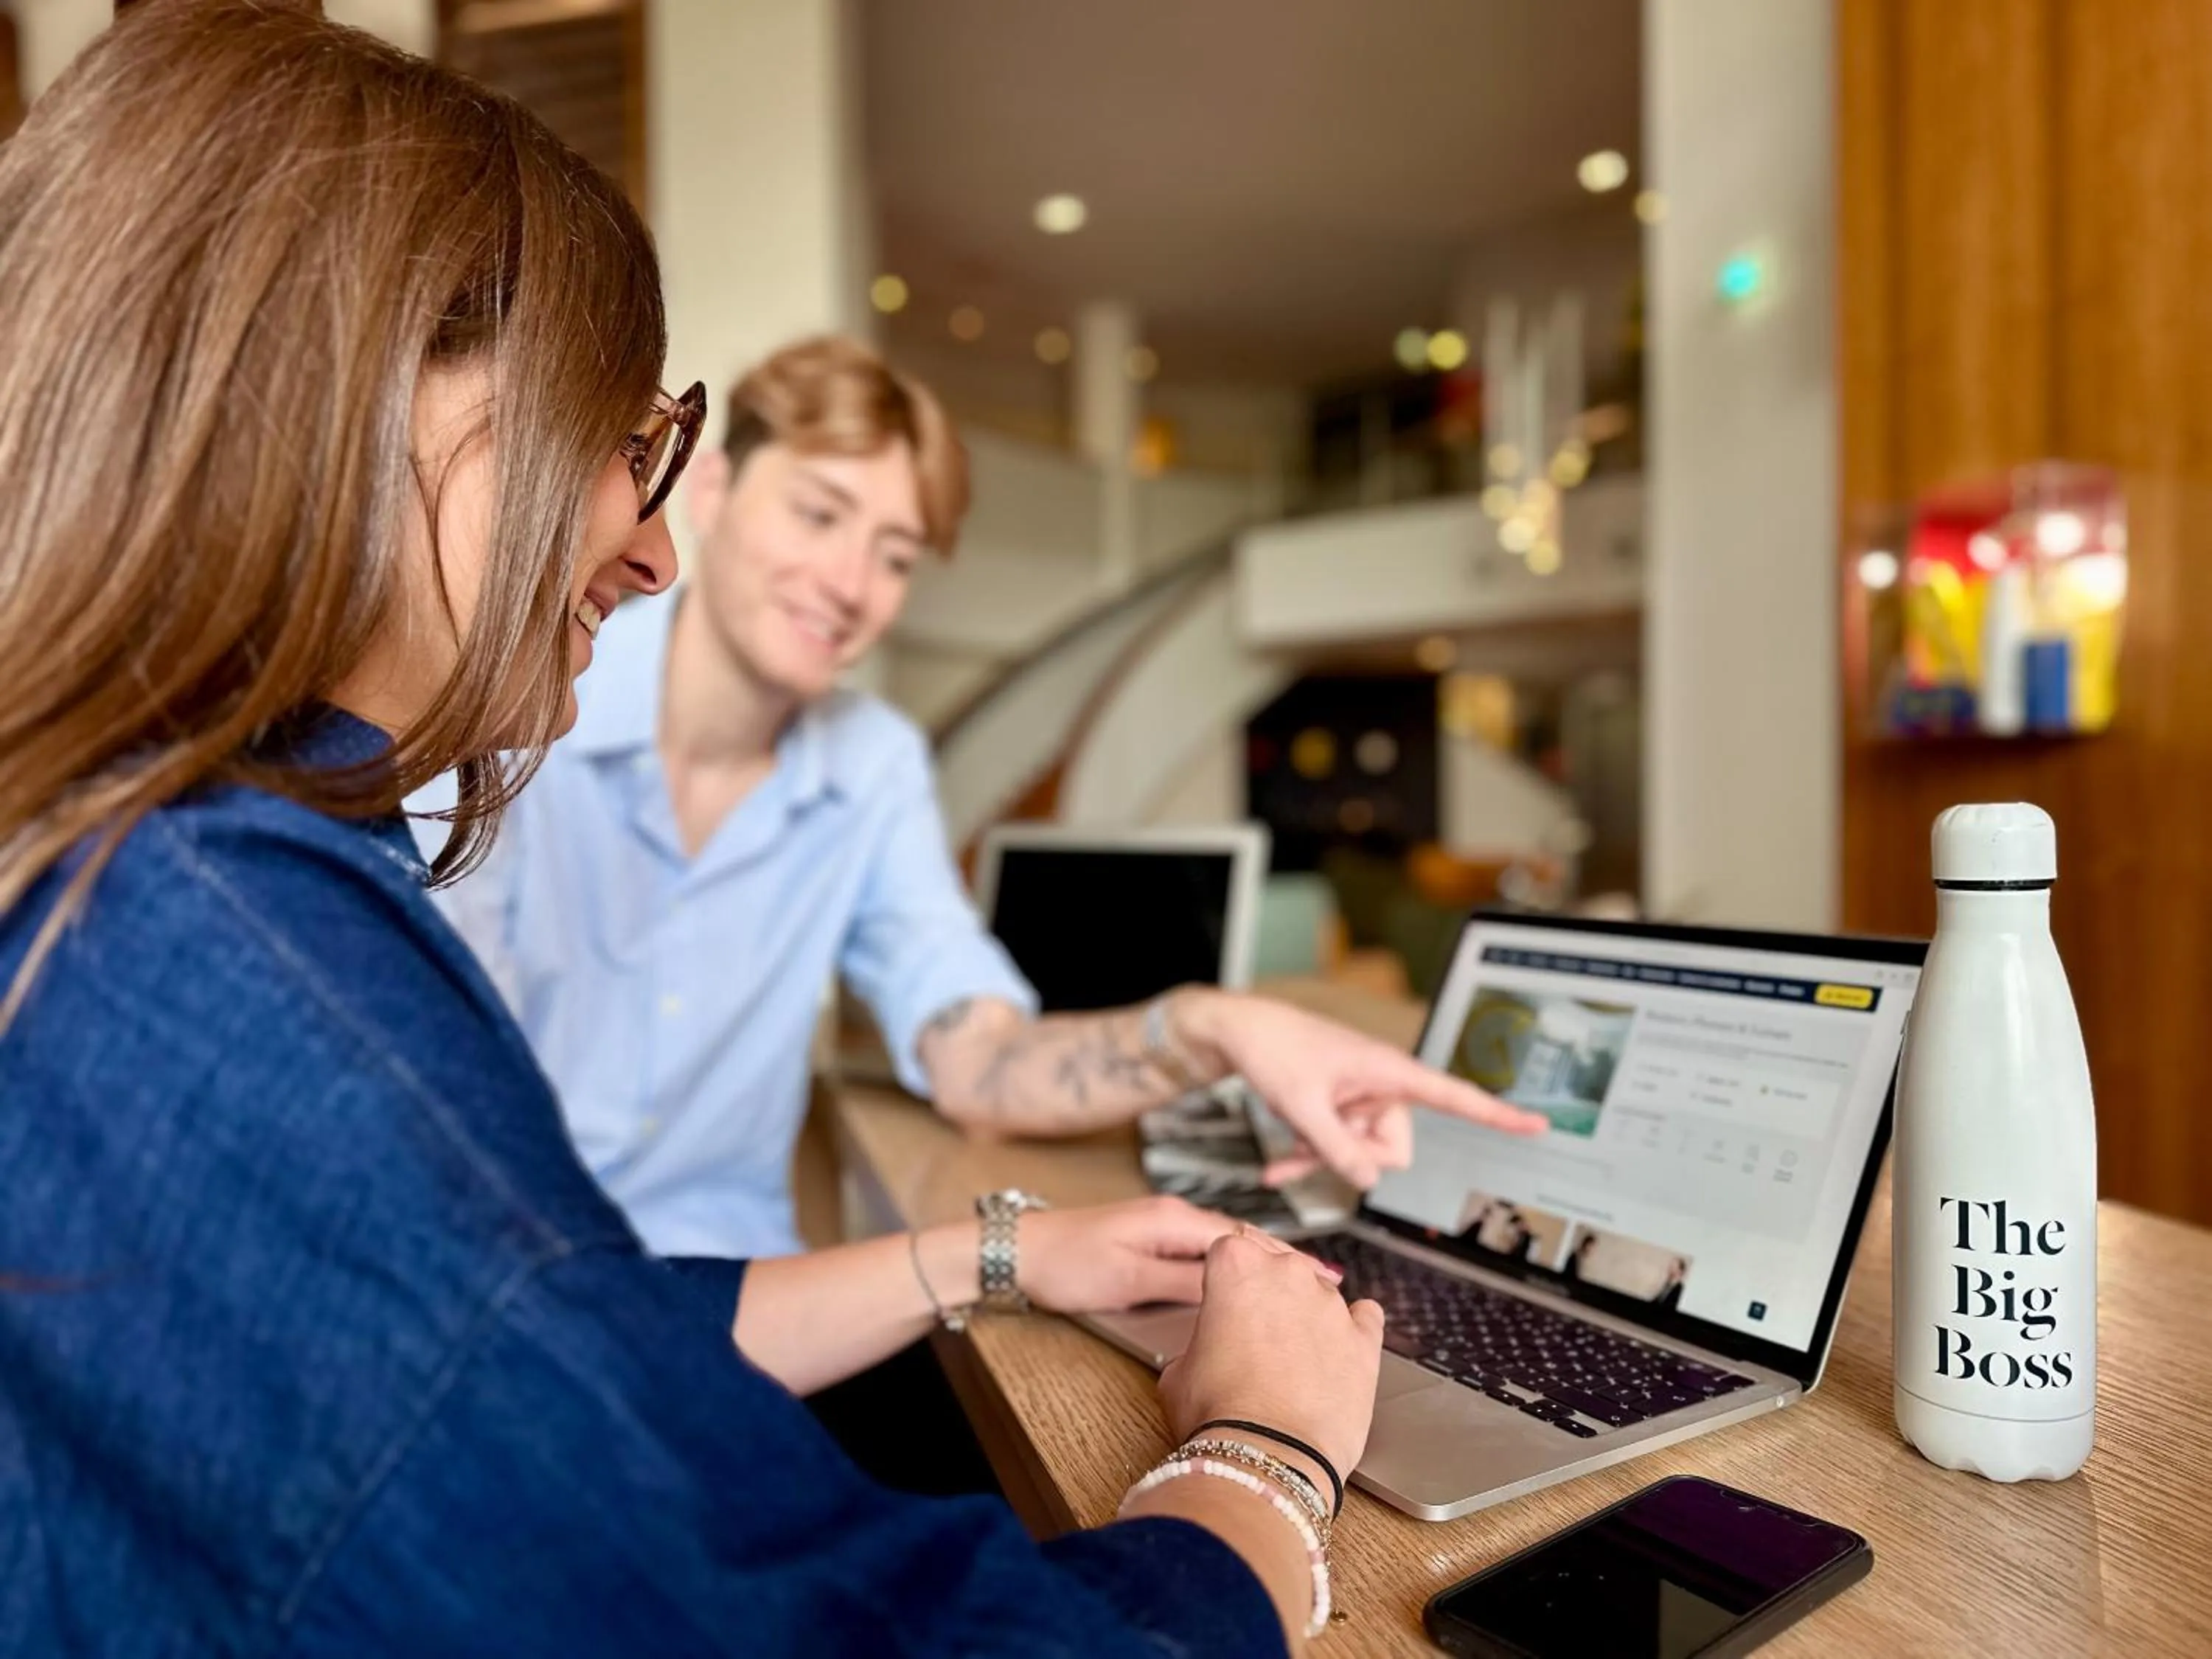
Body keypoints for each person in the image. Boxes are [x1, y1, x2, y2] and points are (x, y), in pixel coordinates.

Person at [0, 7, 1379, 1651]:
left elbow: (548, 1306)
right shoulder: (274, 900)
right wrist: (1269, 1457)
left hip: (636, 1342)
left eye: (898, 555)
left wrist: (1136, 1105)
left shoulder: (205, 842)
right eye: (632, 445)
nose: (647, 546)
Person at [424, 333, 1545, 1265]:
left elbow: (979, 1057)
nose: (851, 585)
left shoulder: (870, 766)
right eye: (818, 514)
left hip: (731, 1299)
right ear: (711, 486)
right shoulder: (519, 683)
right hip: (481, 1266)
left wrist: (1212, 1024)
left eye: (896, 553)